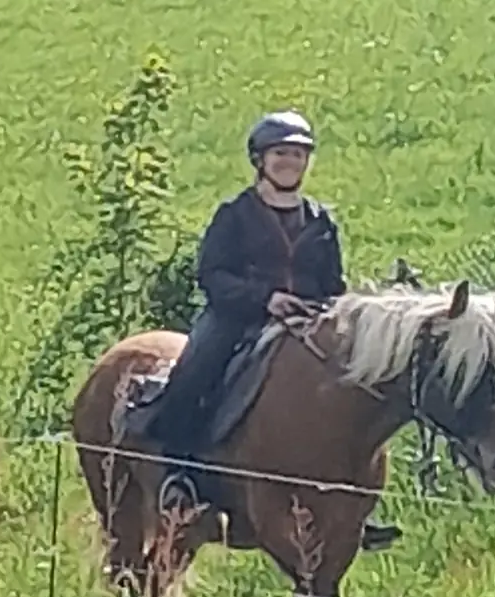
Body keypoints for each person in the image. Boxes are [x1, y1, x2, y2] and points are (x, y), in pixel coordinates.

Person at [146, 110, 347, 523]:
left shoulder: (322, 220)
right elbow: (212, 275)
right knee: (194, 374)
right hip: (237, 319)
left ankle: (347, 499)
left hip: (307, 322)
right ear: (260, 160)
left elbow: (333, 282)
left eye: (298, 153)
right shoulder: (234, 214)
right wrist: (265, 299)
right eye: (280, 153)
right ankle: (180, 474)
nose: (290, 161)